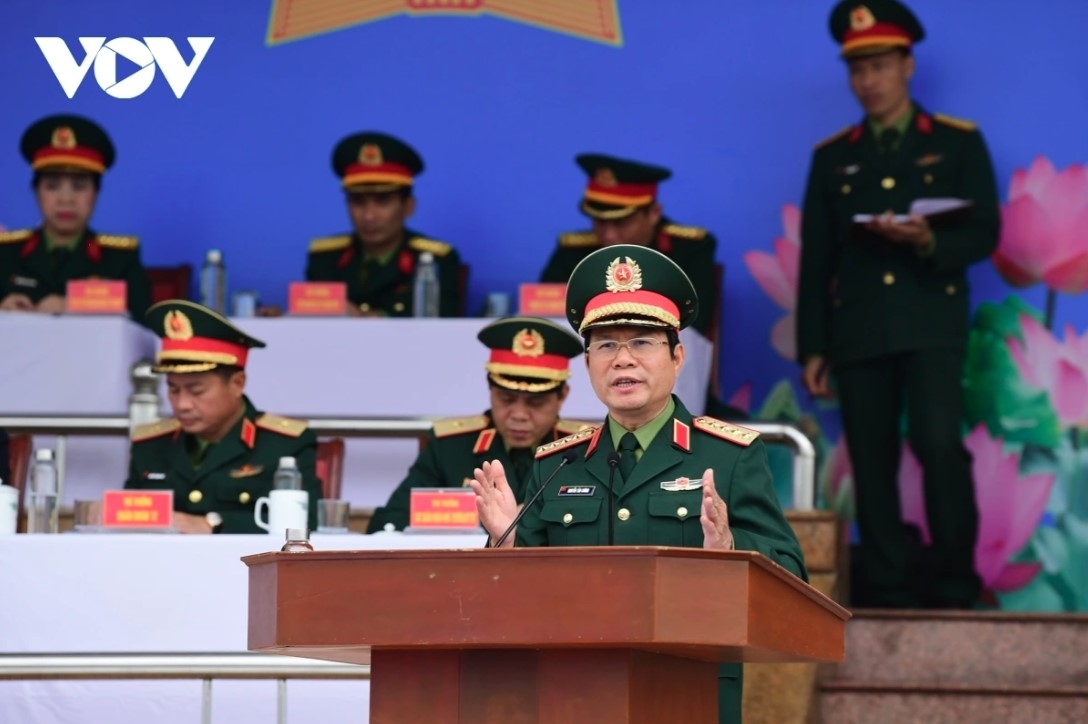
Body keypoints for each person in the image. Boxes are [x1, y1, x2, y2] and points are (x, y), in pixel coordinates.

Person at [472, 245, 806, 724]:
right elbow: (514, 603)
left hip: (689, 689)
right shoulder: (557, 465)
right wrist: (507, 545)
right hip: (575, 694)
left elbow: (792, 574)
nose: (622, 360)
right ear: (587, 365)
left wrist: (732, 549)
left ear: (677, 357)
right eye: (606, 346)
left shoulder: (729, 456)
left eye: (642, 343)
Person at [796, 0, 998, 608]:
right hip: (858, 329)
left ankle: (957, 580)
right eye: (857, 70)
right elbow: (816, 260)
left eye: (880, 66)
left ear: (908, 66)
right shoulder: (833, 157)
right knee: (871, 456)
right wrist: (813, 344)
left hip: (931, 323)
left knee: (940, 445)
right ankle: (885, 584)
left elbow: (986, 232)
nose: (868, 81)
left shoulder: (958, 144)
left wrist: (930, 239)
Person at [367, 316, 592, 532]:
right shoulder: (451, 446)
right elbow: (389, 523)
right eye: (507, 400)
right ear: (490, 391)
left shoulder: (585, 449)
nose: (520, 415)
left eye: (536, 403)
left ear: (562, 396)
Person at [125, 300, 322, 533]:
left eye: (196, 391)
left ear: (237, 384)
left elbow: (307, 521)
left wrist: (214, 524)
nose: (182, 404)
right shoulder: (150, 444)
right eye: (173, 389)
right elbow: (130, 521)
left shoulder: (285, 444)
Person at [540, 153, 718, 336]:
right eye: (599, 221)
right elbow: (546, 316)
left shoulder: (690, 249)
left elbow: (695, 324)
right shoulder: (572, 250)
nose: (608, 235)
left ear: (654, 213)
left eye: (621, 223)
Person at [0, 114, 151, 320]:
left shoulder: (119, 259)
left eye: (79, 187)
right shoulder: (6, 253)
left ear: (96, 193)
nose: (66, 199)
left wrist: (67, 304)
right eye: (52, 186)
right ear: (36, 191)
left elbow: (142, 328)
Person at [305, 131, 464, 317]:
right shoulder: (325, 258)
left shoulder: (435, 259)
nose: (369, 216)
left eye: (382, 201)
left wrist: (374, 318)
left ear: (408, 207)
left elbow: (444, 320)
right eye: (358, 201)